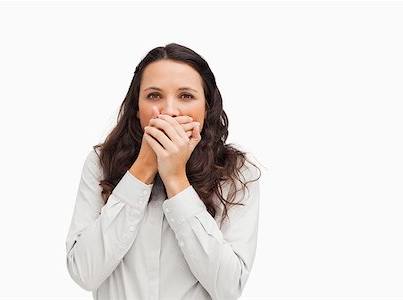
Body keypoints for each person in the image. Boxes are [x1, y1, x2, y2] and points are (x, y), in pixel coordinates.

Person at [65, 43, 262, 300]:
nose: (169, 110)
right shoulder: (101, 162)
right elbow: (84, 272)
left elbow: (228, 287)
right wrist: (144, 166)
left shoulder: (237, 172)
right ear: (137, 108)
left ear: (207, 107)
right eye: (154, 96)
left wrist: (175, 178)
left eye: (186, 96)